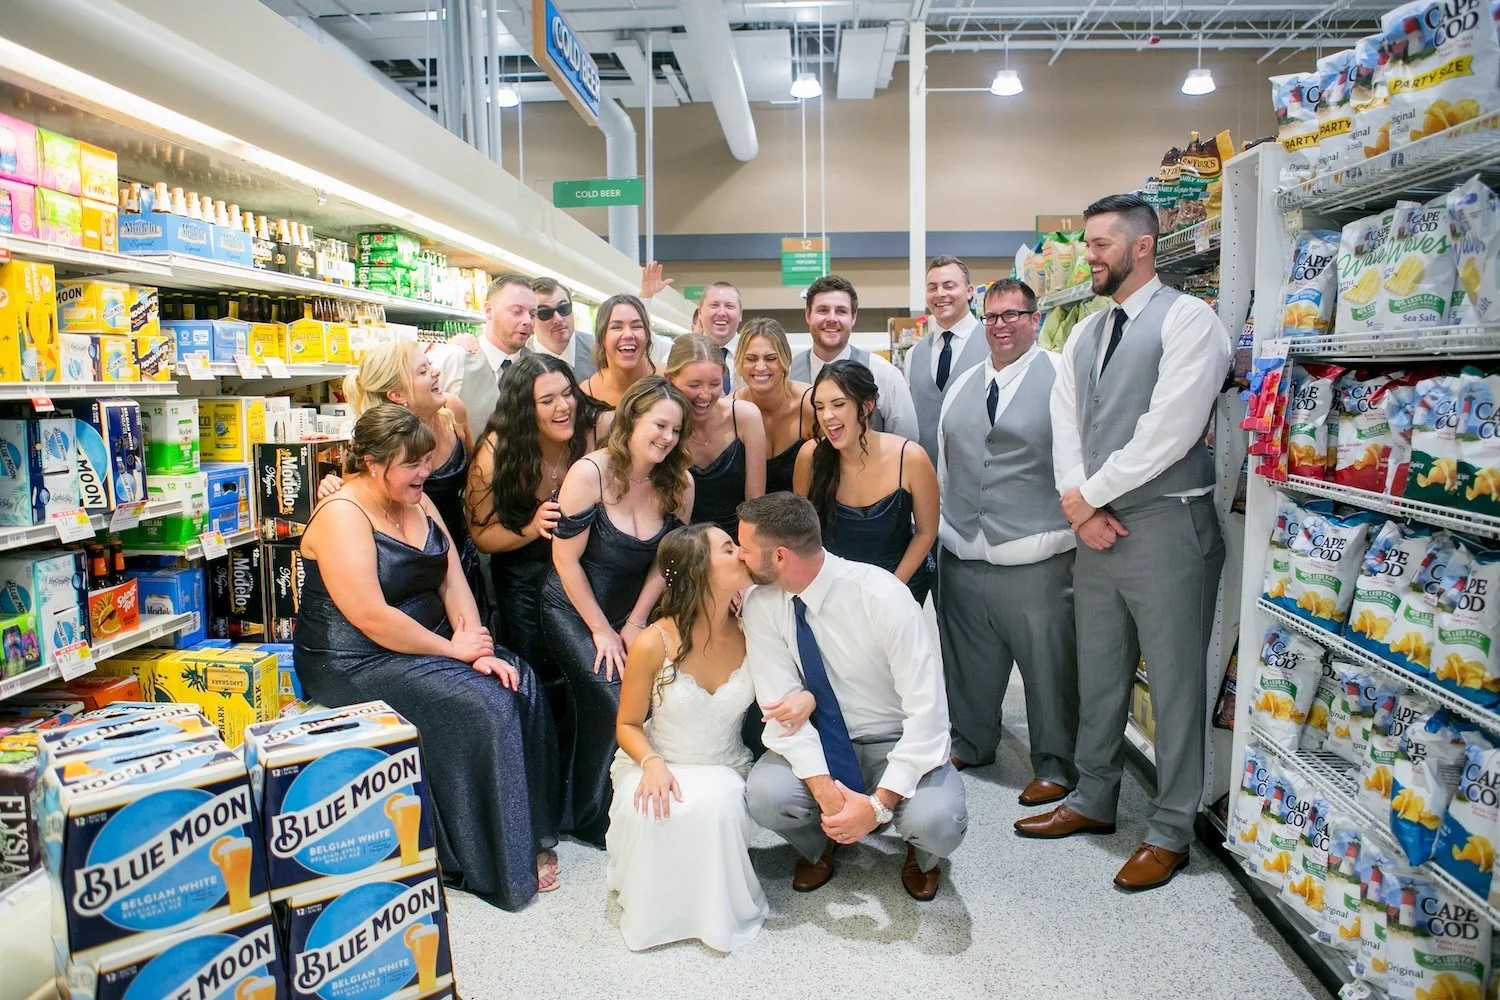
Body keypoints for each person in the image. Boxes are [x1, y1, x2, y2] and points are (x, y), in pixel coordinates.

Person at [1017, 193, 1229, 894]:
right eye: (1087, 243)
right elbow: (1066, 421)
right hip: (1097, 531)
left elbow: (1171, 429)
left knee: (1174, 684)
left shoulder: (1190, 321)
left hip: (1168, 525)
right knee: (1100, 672)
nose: (1090, 256)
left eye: (1101, 243)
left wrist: (1089, 497)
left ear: (1143, 246)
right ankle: (1093, 797)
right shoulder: (1085, 333)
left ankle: (1170, 829)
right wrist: (1081, 508)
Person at [294, 404, 560, 909]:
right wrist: (453, 651)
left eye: (426, 461)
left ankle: (528, 833)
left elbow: (451, 579)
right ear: (372, 463)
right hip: (353, 657)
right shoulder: (343, 516)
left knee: (516, 678)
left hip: (429, 639)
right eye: (412, 464)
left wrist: (474, 644)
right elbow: (371, 616)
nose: (426, 473)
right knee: (485, 704)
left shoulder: (420, 504)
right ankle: (488, 859)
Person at [738, 493, 966, 901]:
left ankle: (921, 854)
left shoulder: (883, 596)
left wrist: (878, 806)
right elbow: (780, 706)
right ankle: (819, 842)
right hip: (821, 737)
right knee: (766, 796)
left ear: (781, 557)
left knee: (938, 822)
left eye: (747, 550)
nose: (740, 557)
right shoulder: (761, 604)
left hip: (895, 739)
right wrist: (825, 791)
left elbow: (928, 714)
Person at [607, 523, 808, 952]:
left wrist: (804, 697)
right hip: (657, 759)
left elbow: (797, 681)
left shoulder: (755, 628)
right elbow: (626, 725)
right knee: (654, 808)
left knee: (715, 807)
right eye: (728, 548)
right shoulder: (652, 641)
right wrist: (652, 764)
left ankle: (716, 916)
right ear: (699, 570)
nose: (741, 553)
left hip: (724, 764)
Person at [935, 279, 1078, 807]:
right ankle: (970, 741)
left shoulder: (1063, 374)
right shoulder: (963, 384)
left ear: (1035, 319)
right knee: (967, 659)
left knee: (1049, 667)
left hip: (1036, 553)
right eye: (992, 316)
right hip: (965, 550)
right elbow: (948, 466)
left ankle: (1056, 763)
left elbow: (1078, 460)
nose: (1001, 325)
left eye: (1013, 315)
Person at [541, 376, 695, 846]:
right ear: (631, 419)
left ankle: (640, 802)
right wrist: (603, 631)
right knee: (613, 696)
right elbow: (564, 561)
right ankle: (589, 816)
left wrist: (634, 621)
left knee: (656, 699)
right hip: (572, 606)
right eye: (659, 425)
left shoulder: (680, 482)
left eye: (675, 430)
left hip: (633, 609)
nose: (667, 438)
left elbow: (665, 564)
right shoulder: (591, 473)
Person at [319, 341, 489, 628]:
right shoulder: (377, 445)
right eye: (423, 371)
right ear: (396, 395)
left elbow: (475, 479)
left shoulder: (452, 412)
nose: (436, 372)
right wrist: (333, 488)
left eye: (430, 365)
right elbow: (363, 511)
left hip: (463, 558)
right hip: (418, 574)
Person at [466, 352, 595, 703]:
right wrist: (531, 527)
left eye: (567, 393)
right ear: (525, 408)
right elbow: (482, 535)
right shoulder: (497, 453)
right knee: (537, 683)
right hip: (523, 582)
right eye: (547, 400)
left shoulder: (589, 436)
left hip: (584, 576)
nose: (563, 406)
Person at [793, 360, 937, 605]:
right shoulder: (810, 456)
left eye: (838, 404)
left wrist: (892, 589)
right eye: (819, 407)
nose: (827, 416)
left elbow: (926, 532)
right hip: (834, 593)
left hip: (899, 587)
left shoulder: (910, 458)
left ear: (867, 406)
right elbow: (803, 534)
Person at [788, 275, 918, 440]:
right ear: (808, 315)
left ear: (854, 317)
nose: (832, 319)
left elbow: (906, 443)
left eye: (841, 311)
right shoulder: (788, 373)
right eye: (823, 310)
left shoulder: (883, 374)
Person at [665, 334, 766, 538]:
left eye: (714, 384)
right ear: (670, 380)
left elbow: (755, 503)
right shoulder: (662, 428)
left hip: (737, 541)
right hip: (679, 543)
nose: (705, 395)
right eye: (694, 385)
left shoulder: (746, 417)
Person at [434, 273, 536, 439]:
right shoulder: (456, 359)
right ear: (489, 310)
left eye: (532, 314)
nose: (528, 321)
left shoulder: (539, 368)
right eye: (517, 312)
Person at [908, 256, 988, 468]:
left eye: (949, 286)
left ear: (969, 291)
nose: (940, 294)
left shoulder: (993, 345)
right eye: (932, 287)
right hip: (925, 475)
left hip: (979, 475)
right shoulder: (914, 354)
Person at [735, 318, 815, 496]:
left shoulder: (811, 405)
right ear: (740, 362)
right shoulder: (731, 410)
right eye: (751, 358)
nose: (761, 366)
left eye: (771, 358)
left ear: (786, 360)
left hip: (804, 515)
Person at [579, 294, 660, 409]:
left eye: (636, 326)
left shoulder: (670, 380)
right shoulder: (587, 392)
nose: (628, 334)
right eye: (616, 327)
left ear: (647, 335)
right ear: (602, 338)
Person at [525, 276, 595, 381]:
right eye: (545, 313)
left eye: (564, 308)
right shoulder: (520, 362)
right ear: (530, 319)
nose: (558, 319)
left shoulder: (600, 350)